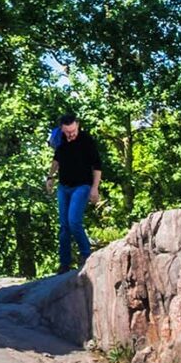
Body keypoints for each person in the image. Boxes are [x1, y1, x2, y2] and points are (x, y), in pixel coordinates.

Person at [50, 113, 106, 275]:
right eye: (68, 132)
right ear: (62, 129)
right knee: (64, 226)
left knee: (73, 220)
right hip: (63, 186)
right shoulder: (59, 139)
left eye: (73, 131)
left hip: (82, 186)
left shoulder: (86, 140)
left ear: (78, 125)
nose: (71, 134)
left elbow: (97, 166)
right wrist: (50, 177)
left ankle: (87, 255)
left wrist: (94, 188)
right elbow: (56, 160)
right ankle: (64, 264)